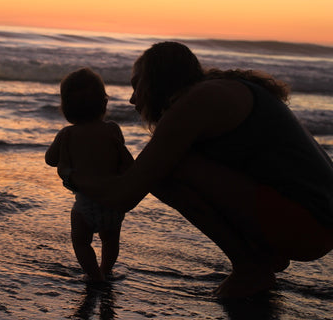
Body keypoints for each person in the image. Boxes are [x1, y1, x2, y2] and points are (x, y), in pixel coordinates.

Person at [57, 42, 333, 298]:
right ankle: (263, 253)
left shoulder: (195, 103)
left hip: (308, 225)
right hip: (316, 219)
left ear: (155, 81)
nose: (131, 100)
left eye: (135, 85)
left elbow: (125, 196)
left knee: (169, 169)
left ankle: (250, 268)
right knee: (167, 164)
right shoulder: (220, 89)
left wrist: (72, 176)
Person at [45, 67, 134, 283]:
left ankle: (94, 276)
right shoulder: (112, 129)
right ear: (104, 103)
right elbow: (125, 162)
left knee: (81, 242)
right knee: (111, 240)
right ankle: (105, 270)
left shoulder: (68, 134)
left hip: (86, 204)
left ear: (65, 108)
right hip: (113, 201)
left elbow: (50, 160)